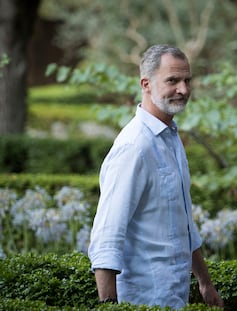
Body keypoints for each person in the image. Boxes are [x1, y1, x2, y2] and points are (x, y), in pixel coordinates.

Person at [88, 44, 224, 310]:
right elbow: (106, 238)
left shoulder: (171, 138)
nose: (183, 89)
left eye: (187, 80)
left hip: (173, 299)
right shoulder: (134, 147)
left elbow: (183, 222)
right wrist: (109, 306)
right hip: (142, 302)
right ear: (146, 84)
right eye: (172, 80)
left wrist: (205, 282)